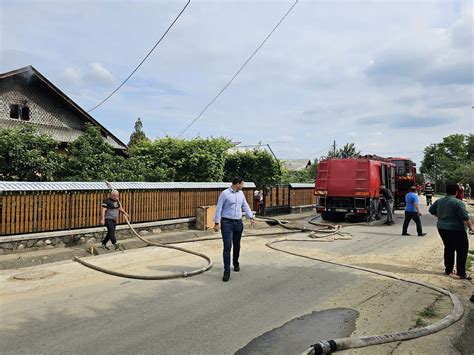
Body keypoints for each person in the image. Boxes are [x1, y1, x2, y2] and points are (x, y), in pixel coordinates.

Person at [214, 177, 255, 282]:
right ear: (237, 184)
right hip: (227, 223)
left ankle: (235, 263)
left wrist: (251, 217)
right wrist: (217, 223)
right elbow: (219, 208)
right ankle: (226, 271)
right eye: (242, 184)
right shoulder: (225, 194)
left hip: (238, 223)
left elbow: (245, 205)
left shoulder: (241, 194)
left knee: (237, 245)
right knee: (227, 246)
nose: (243, 186)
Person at [429, 183, 473, 280]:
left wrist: (441, 217)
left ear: (446, 191)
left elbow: (431, 210)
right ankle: (461, 273)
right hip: (456, 229)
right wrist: (471, 228)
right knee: (462, 250)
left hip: (442, 228)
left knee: (448, 248)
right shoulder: (458, 203)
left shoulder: (439, 201)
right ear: (456, 192)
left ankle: (448, 270)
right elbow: (465, 218)